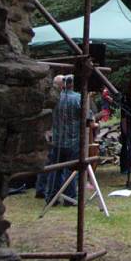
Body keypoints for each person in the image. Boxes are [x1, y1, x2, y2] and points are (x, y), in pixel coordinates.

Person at [45, 75, 81, 204]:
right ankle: (69, 198)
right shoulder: (78, 98)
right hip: (73, 140)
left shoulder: (55, 98)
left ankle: (51, 197)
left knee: (55, 169)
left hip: (57, 140)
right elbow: (87, 117)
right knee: (71, 170)